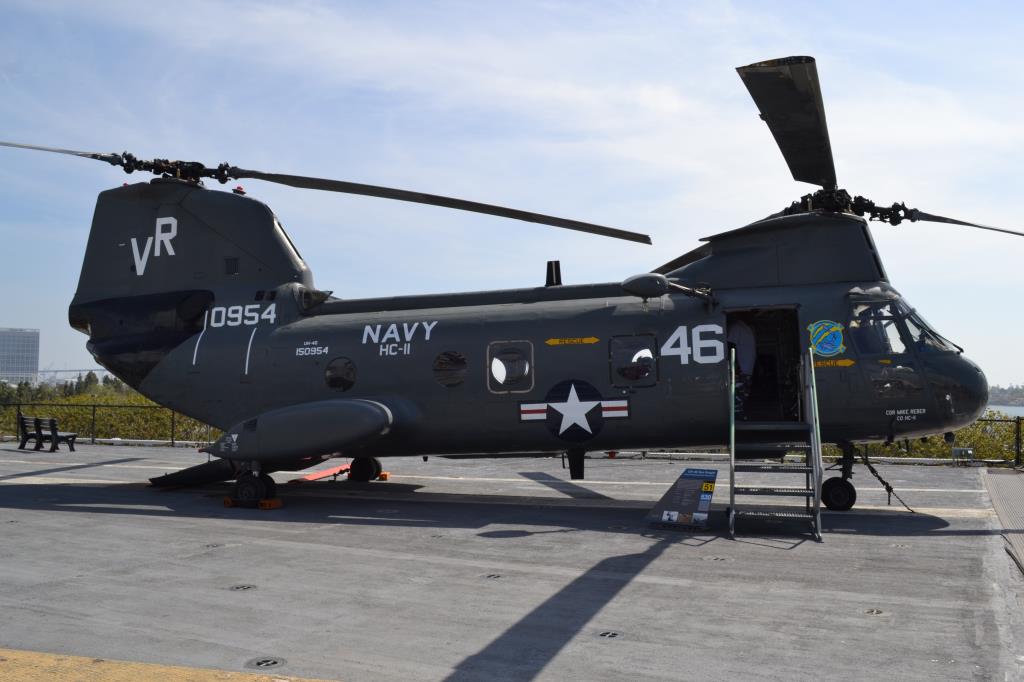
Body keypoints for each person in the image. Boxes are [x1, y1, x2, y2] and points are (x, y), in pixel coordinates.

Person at [727, 318, 756, 418]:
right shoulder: (746, 328)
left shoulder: (735, 327)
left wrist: (732, 367)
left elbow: (730, 346)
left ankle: (737, 425)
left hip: (739, 370)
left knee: (736, 405)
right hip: (746, 370)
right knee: (742, 400)